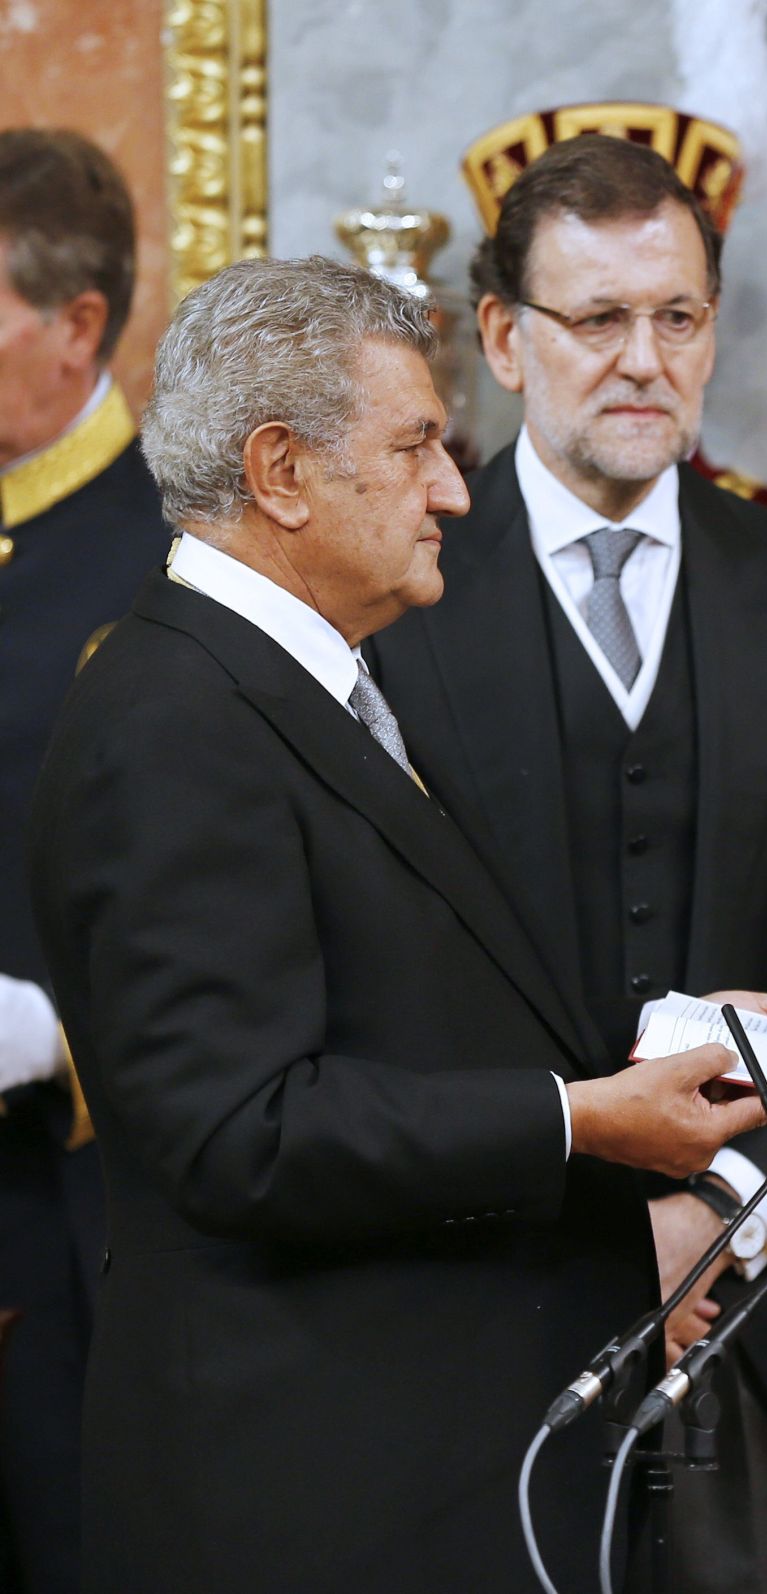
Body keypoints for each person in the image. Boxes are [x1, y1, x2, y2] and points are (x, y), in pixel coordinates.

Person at [27, 255, 767, 1594]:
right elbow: (239, 1132)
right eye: (419, 444)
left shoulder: (309, 679)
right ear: (282, 472)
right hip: (297, 1509)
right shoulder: (173, 718)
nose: (454, 489)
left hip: (405, 1478)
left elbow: (422, 1005)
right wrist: (580, 1119)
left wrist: (666, 1039)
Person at [364, 134, 767, 1594]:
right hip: (473, 1316)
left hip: (756, 1324)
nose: (643, 360)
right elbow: (377, 990)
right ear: (503, 339)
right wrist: (602, 1207)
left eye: (676, 318)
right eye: (598, 320)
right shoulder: (400, 600)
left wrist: (726, 1196)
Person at [0, 127, 172, 1594]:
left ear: (79, 328)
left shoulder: (172, 557)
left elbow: (232, 901)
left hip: (81, 1215)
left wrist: (55, 1023)